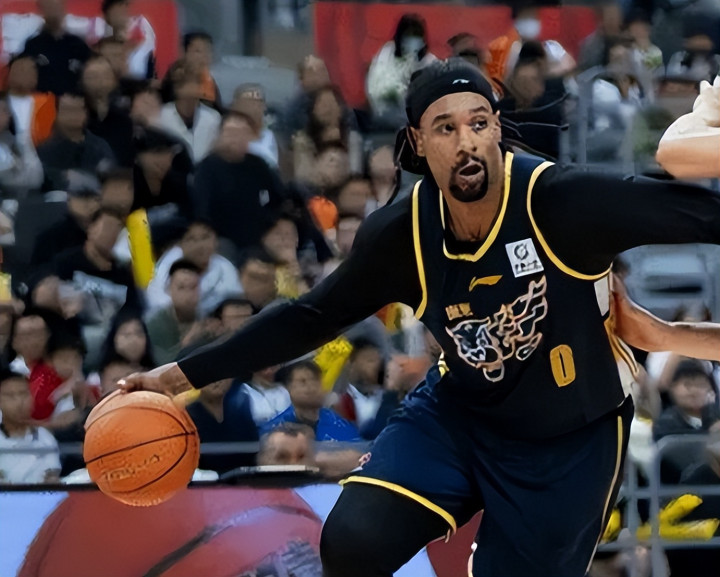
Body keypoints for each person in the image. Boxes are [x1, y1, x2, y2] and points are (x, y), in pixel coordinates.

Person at [120, 59, 720, 576]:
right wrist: (180, 376)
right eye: (446, 128)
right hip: (460, 416)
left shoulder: (561, 201)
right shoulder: (400, 234)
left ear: (496, 129)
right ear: (419, 141)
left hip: (572, 436)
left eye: (479, 123)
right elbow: (309, 316)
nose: (466, 142)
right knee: (352, 542)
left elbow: (697, 214)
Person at [19, 0, 92, 95]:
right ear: (41, 10)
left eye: (56, 6)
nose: (53, 11)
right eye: (49, 6)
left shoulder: (78, 45)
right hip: (41, 101)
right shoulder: (33, 45)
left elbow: (91, 78)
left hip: (73, 102)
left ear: (64, 8)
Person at [0, 370, 61, 484]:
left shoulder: (45, 437)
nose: (19, 402)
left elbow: (51, 478)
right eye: (10, 396)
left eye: (23, 394)